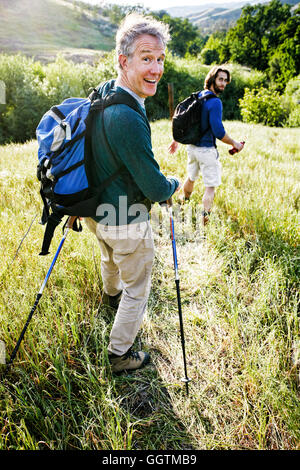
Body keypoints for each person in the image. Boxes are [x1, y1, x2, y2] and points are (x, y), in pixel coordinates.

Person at [84, 13, 180, 373]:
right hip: (125, 216)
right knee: (138, 285)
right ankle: (120, 354)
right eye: (146, 58)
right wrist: (171, 184)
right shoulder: (127, 117)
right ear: (124, 61)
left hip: (98, 211)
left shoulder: (107, 92)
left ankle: (111, 296)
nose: (156, 69)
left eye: (160, 59)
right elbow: (154, 187)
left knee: (109, 258)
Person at [169, 65, 244, 226]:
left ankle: (184, 202)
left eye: (225, 80)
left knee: (191, 177)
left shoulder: (199, 96)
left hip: (192, 148)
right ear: (212, 79)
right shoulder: (215, 102)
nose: (223, 83)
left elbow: (185, 120)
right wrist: (234, 143)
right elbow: (218, 131)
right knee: (210, 187)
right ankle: (204, 222)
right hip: (207, 150)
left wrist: (176, 139)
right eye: (220, 79)